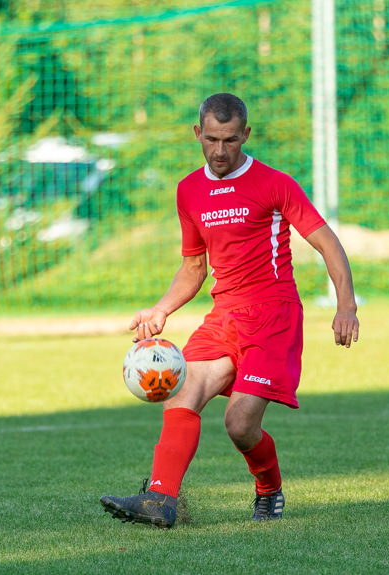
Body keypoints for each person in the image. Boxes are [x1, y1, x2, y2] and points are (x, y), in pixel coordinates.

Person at [100, 93, 359, 527]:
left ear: (246, 135)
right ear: (197, 133)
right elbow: (194, 266)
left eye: (231, 140)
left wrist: (345, 305)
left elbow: (326, 241)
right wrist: (162, 309)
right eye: (212, 139)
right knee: (181, 390)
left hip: (274, 316)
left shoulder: (275, 183)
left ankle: (268, 488)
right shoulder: (188, 191)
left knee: (239, 424)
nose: (220, 151)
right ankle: (160, 499)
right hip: (225, 316)